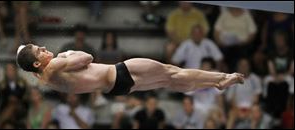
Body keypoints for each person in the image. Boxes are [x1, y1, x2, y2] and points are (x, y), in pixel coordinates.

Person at [16, 42, 244, 96]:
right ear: (37, 63)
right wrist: (69, 53)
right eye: (39, 51)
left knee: (170, 81)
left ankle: (217, 82)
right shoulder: (56, 63)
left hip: (116, 89)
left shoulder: (42, 78)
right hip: (120, 71)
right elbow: (88, 56)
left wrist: (24, 53)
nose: (45, 48)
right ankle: (220, 78)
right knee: (172, 72)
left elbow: (23, 58)